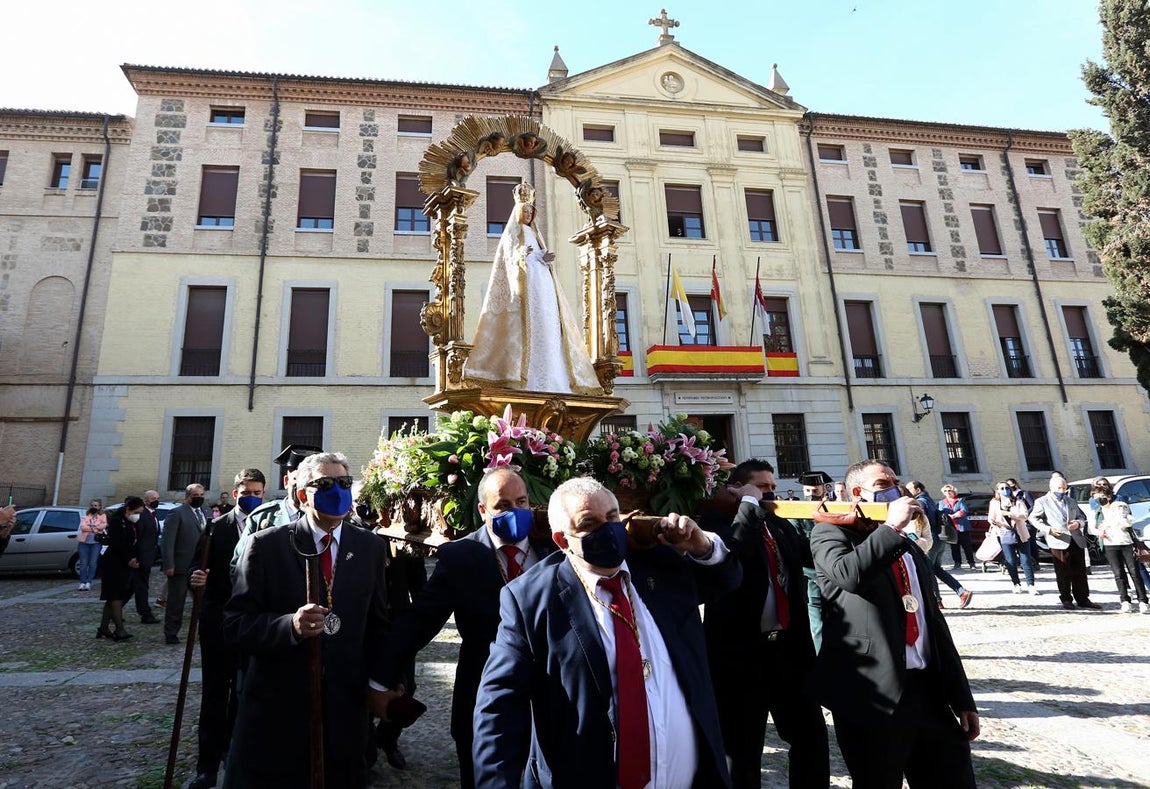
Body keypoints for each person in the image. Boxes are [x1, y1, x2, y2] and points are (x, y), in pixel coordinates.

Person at [473, 477, 741, 788]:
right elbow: (499, 708)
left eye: (613, 518)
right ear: (562, 540)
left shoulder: (661, 569)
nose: (608, 530)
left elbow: (726, 580)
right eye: (589, 524)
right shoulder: (531, 599)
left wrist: (703, 547)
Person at [379, 468, 556, 788]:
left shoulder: (555, 548)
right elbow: (419, 621)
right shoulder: (461, 556)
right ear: (483, 510)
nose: (515, 511)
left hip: (552, 696)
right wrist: (378, 678)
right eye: (503, 505)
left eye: (521, 502)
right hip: (485, 696)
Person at [223, 451, 390, 787]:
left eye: (344, 483)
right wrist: (289, 626)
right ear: (302, 494)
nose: (337, 491)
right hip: (281, 705)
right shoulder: (265, 546)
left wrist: (384, 679)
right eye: (325, 484)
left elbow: (378, 623)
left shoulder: (369, 546)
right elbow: (235, 624)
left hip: (344, 705)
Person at [811, 460, 979, 788]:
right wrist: (889, 528)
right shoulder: (830, 532)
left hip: (928, 693)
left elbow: (933, 622)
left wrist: (962, 697)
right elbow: (848, 575)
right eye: (882, 484)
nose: (894, 488)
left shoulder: (906, 544)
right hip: (873, 696)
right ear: (857, 492)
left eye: (894, 481)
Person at [702, 460, 829, 788]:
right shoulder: (717, 522)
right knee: (742, 751)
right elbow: (733, 552)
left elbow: (812, 557)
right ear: (738, 489)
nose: (769, 494)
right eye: (761, 487)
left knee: (811, 738)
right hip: (741, 655)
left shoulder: (778, 524)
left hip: (789, 651)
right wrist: (748, 505)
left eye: (772, 487)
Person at [464, 182, 600, 394]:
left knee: (547, 322)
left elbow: (539, 253)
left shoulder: (535, 234)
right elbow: (507, 258)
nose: (528, 215)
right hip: (524, 282)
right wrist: (521, 255)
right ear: (518, 212)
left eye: (530, 212)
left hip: (542, 281)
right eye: (525, 211)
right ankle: (524, 377)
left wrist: (543, 257)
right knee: (527, 324)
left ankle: (556, 378)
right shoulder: (511, 233)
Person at [186, 468, 266, 789]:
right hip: (218, 620)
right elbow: (197, 565)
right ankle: (206, 764)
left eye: (258, 493)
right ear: (236, 494)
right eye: (247, 492)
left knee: (245, 691)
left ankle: (234, 751)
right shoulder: (216, 527)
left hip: (251, 623)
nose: (252, 497)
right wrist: (195, 578)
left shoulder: (270, 527)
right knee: (215, 692)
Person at [233, 444, 322, 569]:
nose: (302, 490)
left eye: (308, 484)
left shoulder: (327, 518)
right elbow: (239, 565)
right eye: (297, 482)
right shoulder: (262, 517)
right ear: (286, 481)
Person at [1029, 473, 1100, 610]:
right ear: (1051, 487)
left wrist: (1078, 524)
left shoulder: (1070, 500)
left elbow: (1081, 516)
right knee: (1063, 571)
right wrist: (1048, 529)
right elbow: (1033, 518)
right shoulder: (1042, 501)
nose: (1062, 491)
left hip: (1076, 539)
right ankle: (1066, 599)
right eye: (1059, 488)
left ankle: (1083, 598)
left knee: (1080, 571)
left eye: (1064, 488)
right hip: (1058, 540)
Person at [906, 481, 972, 609]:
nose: (908, 491)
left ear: (918, 490)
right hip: (938, 539)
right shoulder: (929, 500)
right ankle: (962, 592)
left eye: (910, 489)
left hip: (929, 541)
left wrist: (914, 538)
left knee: (928, 570)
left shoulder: (920, 502)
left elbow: (920, 523)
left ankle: (936, 601)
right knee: (936, 569)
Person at [161, 484, 210, 645]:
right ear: (187, 496)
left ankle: (204, 630)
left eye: (201, 495)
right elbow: (168, 541)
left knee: (203, 602)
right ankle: (171, 633)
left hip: (200, 566)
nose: (199, 498)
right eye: (196, 495)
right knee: (176, 602)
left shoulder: (206, 512)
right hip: (181, 565)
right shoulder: (177, 513)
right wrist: (169, 564)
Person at [1088, 483, 1149, 614]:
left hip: (1126, 542)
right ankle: (1125, 600)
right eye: (1096, 497)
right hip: (1110, 543)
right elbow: (1092, 528)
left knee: (1134, 572)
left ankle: (1143, 600)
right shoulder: (1097, 511)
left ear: (1109, 496)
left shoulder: (1120, 506)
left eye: (1101, 496)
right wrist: (1101, 531)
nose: (1099, 499)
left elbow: (1129, 521)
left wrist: (1113, 523)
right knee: (1118, 573)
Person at [97, 497, 144, 642]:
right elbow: (118, 543)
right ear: (129, 509)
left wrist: (135, 558)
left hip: (124, 563)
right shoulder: (117, 522)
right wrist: (129, 558)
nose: (138, 515)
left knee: (113, 597)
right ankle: (119, 629)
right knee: (115, 596)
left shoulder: (130, 522)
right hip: (113, 563)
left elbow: (133, 542)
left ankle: (104, 627)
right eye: (136, 512)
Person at [988, 482, 1037, 595]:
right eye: (1002, 488)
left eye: (1007, 488)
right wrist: (993, 522)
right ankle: (1016, 584)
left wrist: (1009, 514)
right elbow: (990, 517)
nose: (1005, 490)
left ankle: (1031, 585)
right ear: (997, 491)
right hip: (1004, 533)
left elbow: (1025, 515)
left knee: (1026, 560)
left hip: (1021, 533)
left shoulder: (1018, 501)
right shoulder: (994, 503)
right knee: (1010, 561)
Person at [132, 491, 161, 624]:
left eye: (157, 498)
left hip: (149, 554)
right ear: (146, 500)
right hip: (141, 556)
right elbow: (138, 537)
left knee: (134, 586)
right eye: (153, 498)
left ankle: (114, 609)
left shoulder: (153, 514)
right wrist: (135, 556)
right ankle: (145, 613)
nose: (156, 500)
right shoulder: (142, 514)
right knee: (141, 586)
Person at [939, 485, 975, 571]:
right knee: (954, 547)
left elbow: (964, 510)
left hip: (962, 527)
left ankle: (971, 563)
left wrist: (954, 515)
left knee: (967, 547)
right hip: (950, 528)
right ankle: (957, 563)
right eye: (945, 491)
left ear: (954, 491)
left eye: (949, 490)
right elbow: (941, 513)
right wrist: (947, 516)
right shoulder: (942, 502)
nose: (948, 492)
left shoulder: (960, 500)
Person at [78, 499, 106, 591]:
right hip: (84, 542)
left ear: (99, 507)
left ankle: (89, 582)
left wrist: (92, 527)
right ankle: (82, 582)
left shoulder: (102, 516)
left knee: (93, 562)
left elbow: (103, 526)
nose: (93, 507)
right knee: (83, 563)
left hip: (96, 543)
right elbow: (83, 527)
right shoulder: (86, 516)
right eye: (92, 505)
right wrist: (95, 528)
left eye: (95, 505)